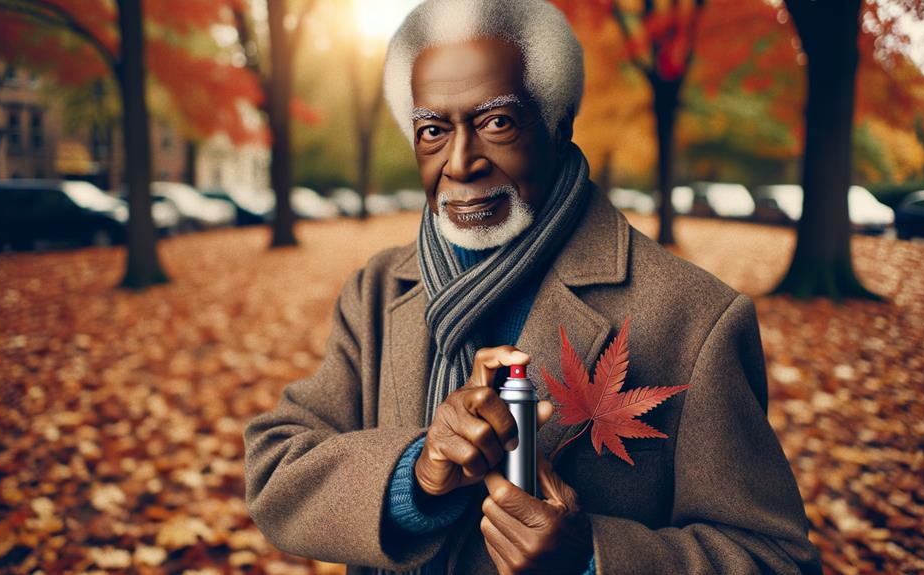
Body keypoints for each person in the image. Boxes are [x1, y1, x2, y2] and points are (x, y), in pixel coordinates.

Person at [244, 1, 823, 574]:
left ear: (558, 120)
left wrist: (593, 558)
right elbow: (276, 468)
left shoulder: (695, 318)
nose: (462, 161)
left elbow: (776, 558)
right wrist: (415, 473)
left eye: (496, 122)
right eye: (433, 130)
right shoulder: (376, 290)